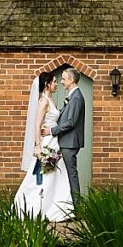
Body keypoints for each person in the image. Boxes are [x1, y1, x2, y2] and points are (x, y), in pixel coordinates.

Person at [15, 73, 74, 221]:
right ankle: (32, 207)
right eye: (54, 82)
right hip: (47, 143)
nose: (56, 84)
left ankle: (57, 208)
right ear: (47, 84)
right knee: (42, 176)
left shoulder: (51, 101)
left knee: (57, 175)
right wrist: (38, 146)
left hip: (55, 142)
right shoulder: (43, 102)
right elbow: (37, 125)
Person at [42, 67, 85, 205]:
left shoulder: (77, 97)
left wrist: (52, 131)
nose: (61, 82)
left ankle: (77, 206)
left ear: (71, 80)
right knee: (65, 175)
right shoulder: (72, 96)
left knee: (71, 174)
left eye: (64, 79)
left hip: (70, 143)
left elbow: (71, 122)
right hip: (66, 142)